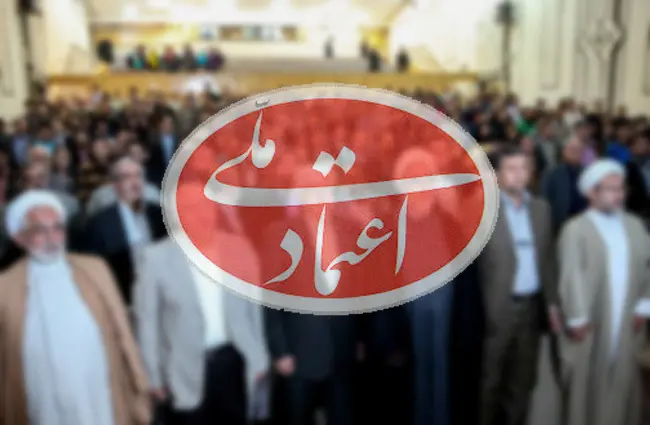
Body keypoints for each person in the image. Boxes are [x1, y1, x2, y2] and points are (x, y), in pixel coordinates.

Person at [0, 190, 151, 425]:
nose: (52, 238)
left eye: (57, 228)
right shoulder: (5, 286)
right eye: (40, 230)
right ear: (20, 238)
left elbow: (122, 330)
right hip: (42, 400)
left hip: (99, 390)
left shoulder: (95, 268)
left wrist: (138, 380)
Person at [134, 236, 270, 425]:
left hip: (233, 363)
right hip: (182, 370)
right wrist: (153, 377)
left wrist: (259, 356)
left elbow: (253, 308)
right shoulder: (155, 258)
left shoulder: (239, 250)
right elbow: (147, 324)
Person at [558, 159, 650, 425]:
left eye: (621, 189)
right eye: (610, 189)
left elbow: (647, 266)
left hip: (628, 315)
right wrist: (577, 317)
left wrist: (644, 305)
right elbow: (571, 276)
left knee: (623, 376)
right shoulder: (576, 229)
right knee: (588, 380)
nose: (618, 195)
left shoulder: (634, 225)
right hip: (591, 318)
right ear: (592, 192)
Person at [478, 146, 559, 425]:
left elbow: (547, 261)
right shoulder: (482, 211)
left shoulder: (541, 209)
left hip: (531, 309)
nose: (519, 175)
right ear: (497, 175)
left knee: (522, 381)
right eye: (511, 169)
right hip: (495, 311)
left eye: (524, 168)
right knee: (489, 382)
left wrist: (552, 305)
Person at [85, 156, 166, 305]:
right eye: (127, 177)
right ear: (116, 185)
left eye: (138, 176)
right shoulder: (100, 223)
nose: (135, 183)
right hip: (124, 297)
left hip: (162, 293)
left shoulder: (160, 215)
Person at [541, 137, 588, 233]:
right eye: (572, 149)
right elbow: (544, 199)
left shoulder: (587, 172)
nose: (575, 152)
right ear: (564, 151)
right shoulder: (552, 172)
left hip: (583, 222)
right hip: (559, 224)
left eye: (579, 150)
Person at [147, 114, 179, 186]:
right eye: (165, 123)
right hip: (158, 176)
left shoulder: (178, 139)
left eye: (170, 123)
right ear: (160, 125)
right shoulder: (153, 140)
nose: (168, 125)